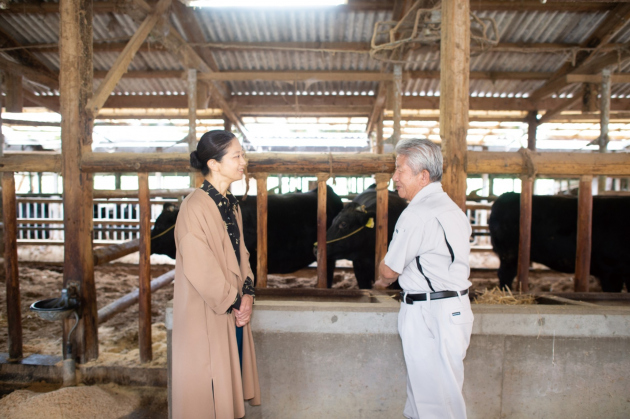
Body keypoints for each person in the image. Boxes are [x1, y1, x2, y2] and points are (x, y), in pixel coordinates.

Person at [374, 138, 473, 419]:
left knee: (432, 400)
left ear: (423, 176)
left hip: (429, 313)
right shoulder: (454, 210)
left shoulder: (416, 214)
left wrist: (384, 269)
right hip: (454, 309)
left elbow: (388, 271)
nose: (394, 178)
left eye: (399, 170)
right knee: (442, 395)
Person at [172, 130, 261, 418]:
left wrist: (248, 292)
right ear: (213, 163)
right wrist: (237, 301)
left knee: (226, 381)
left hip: (233, 308)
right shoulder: (193, 206)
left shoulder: (230, 204)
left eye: (243, 155)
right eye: (237, 156)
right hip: (208, 311)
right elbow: (200, 266)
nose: (243, 161)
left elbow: (242, 254)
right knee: (208, 385)